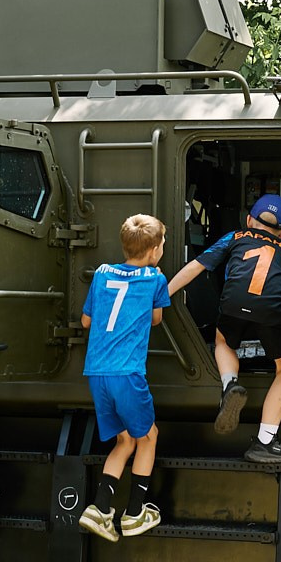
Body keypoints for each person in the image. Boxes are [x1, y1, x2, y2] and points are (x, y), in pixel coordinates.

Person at [166, 193, 281, 463]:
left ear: (248, 220)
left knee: (223, 341)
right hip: (272, 310)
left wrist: (163, 294)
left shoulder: (234, 237)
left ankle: (230, 383)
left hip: (233, 305)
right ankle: (265, 441)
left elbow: (196, 267)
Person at [77, 214, 174, 542]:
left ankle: (101, 509)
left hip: (97, 373)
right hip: (128, 374)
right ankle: (135, 512)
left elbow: (86, 321)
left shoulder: (102, 274)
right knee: (149, 437)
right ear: (153, 252)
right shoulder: (155, 279)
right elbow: (157, 319)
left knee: (125, 441)